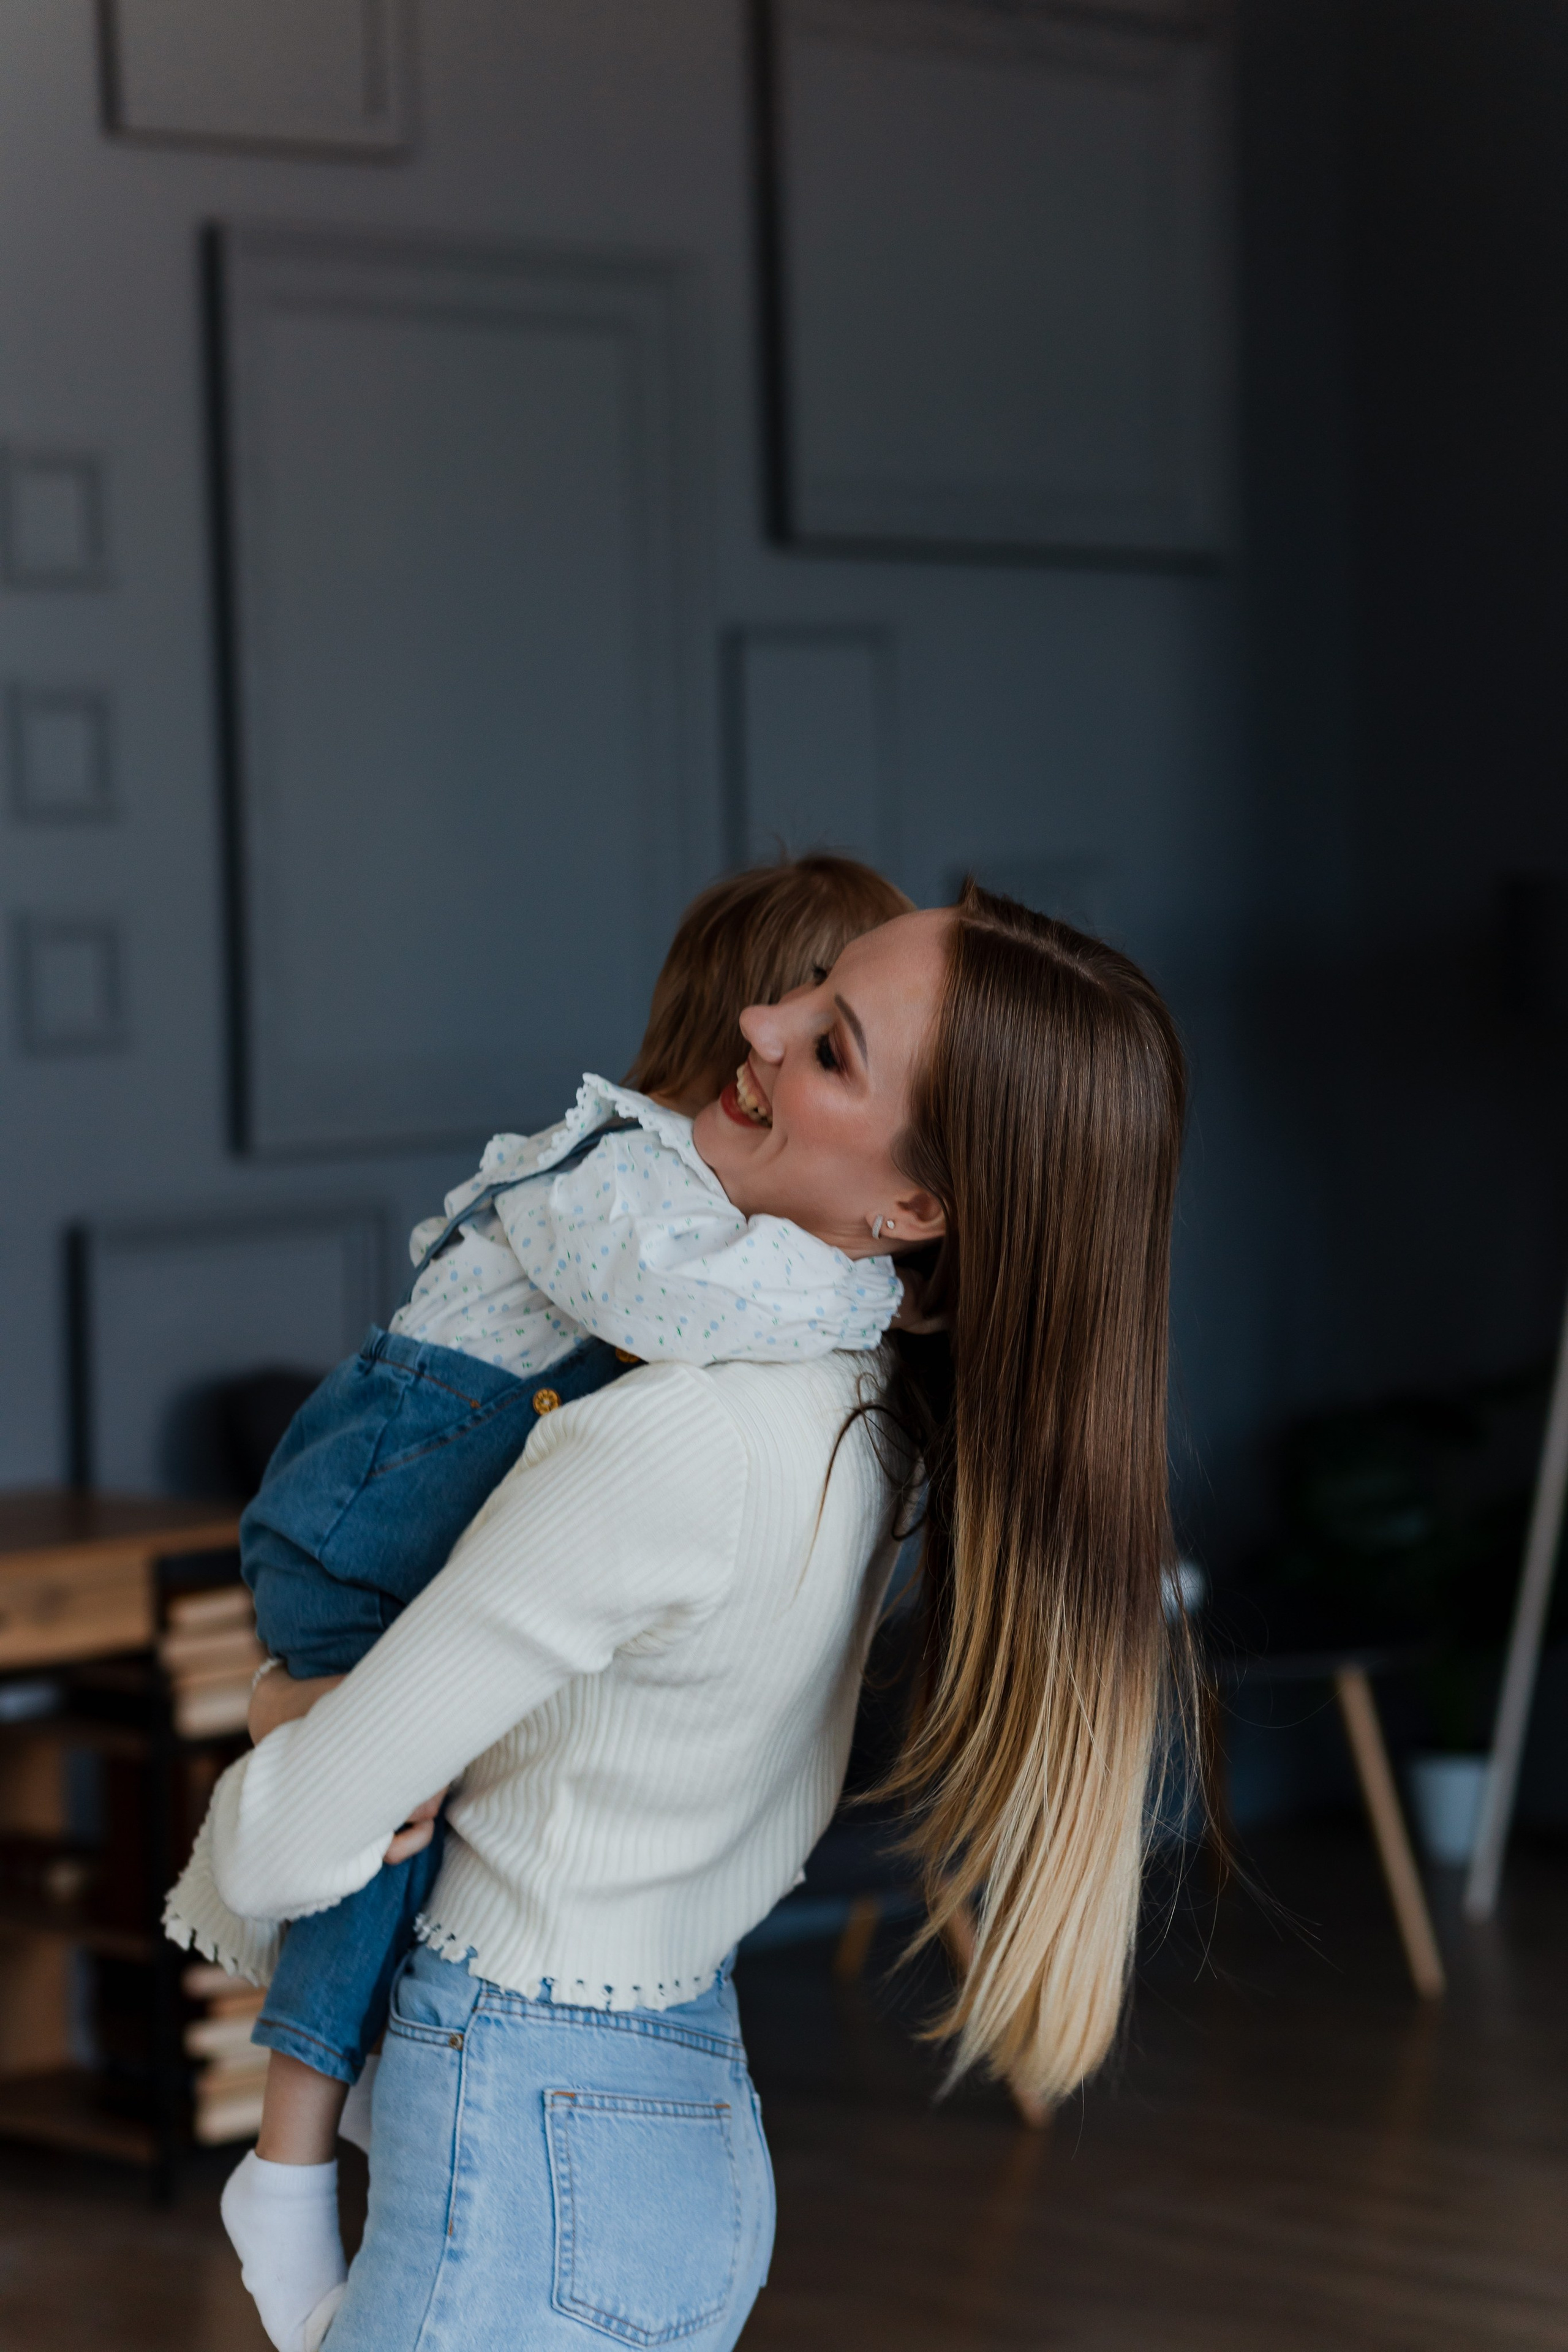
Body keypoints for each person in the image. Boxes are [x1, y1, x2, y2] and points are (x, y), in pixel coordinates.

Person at [172, 884, 1188, 2352]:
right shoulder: (869, 1431)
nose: (758, 1023)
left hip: (516, 2137)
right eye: (809, 987)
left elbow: (285, 1841)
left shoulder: (667, 1442)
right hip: (685, 2121)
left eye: (831, 1045)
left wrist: (278, 1706)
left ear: (915, 1211)